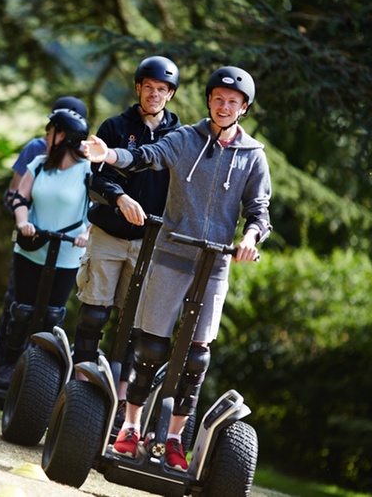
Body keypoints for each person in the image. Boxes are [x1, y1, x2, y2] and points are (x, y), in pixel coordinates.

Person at [81, 66, 271, 472]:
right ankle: (130, 429)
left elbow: (259, 212)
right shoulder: (186, 139)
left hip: (214, 265)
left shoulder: (253, 155)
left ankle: (173, 440)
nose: (224, 106)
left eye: (232, 102)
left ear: (244, 108)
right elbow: (145, 157)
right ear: (208, 100)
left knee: (197, 358)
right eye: (218, 98)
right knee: (150, 347)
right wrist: (109, 154)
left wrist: (250, 239)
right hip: (171, 255)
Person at [71, 56, 182, 408]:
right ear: (138, 88)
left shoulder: (180, 138)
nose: (154, 94)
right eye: (148, 87)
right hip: (109, 234)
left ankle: (121, 397)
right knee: (94, 313)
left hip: (149, 243)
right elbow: (96, 178)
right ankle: (79, 384)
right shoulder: (115, 127)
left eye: (161, 90)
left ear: (170, 94)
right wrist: (120, 198)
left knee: (134, 324)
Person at [0, 96, 88, 386]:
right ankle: (9, 365)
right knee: (22, 311)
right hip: (31, 247)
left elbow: (97, 207)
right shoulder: (38, 162)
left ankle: (39, 375)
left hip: (68, 252)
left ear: (65, 136)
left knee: (51, 315)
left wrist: (87, 233)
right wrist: (23, 222)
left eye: (51, 131)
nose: (45, 136)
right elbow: (20, 197)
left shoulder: (88, 170)